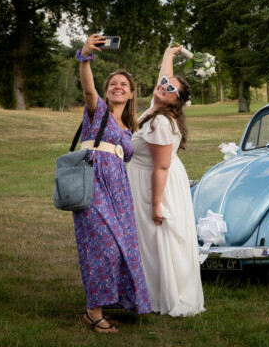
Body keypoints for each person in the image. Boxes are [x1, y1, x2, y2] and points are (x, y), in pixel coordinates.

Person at [73, 35, 151, 333]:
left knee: (119, 249)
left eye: (123, 85)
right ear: (107, 92)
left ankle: (104, 305)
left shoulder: (129, 127)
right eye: (113, 84)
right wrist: (85, 55)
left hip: (119, 194)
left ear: (131, 94)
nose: (117, 87)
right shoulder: (98, 111)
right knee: (101, 248)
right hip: (93, 187)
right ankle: (93, 312)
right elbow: (87, 88)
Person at [127, 45, 205, 317]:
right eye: (162, 84)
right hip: (151, 181)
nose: (163, 88)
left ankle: (161, 297)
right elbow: (166, 81)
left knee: (155, 240)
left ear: (177, 101)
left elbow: (160, 166)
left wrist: (156, 206)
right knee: (149, 243)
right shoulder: (155, 111)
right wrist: (169, 55)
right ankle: (149, 293)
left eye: (170, 90)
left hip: (155, 188)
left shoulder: (161, 122)